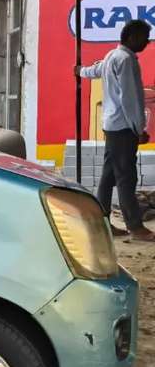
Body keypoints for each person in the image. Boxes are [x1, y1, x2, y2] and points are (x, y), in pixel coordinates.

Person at [75, 19, 153, 242]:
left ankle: (103, 222)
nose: (146, 42)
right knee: (126, 177)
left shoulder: (112, 56)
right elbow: (130, 99)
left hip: (111, 126)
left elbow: (95, 70)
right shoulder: (126, 60)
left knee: (109, 176)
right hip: (123, 127)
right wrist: (139, 128)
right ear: (130, 37)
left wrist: (80, 71)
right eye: (143, 37)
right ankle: (135, 227)